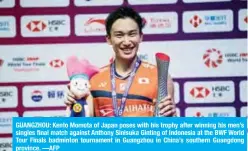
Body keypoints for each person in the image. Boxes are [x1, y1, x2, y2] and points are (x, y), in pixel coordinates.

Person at [64, 6, 177, 117]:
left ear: (141, 37)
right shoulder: (94, 80)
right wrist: (75, 103)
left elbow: (171, 130)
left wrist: (172, 116)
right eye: (119, 35)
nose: (126, 41)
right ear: (109, 39)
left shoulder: (160, 77)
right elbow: (83, 126)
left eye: (132, 34)